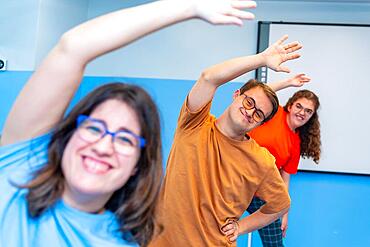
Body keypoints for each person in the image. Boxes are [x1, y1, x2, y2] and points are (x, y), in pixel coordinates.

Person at [0, 1, 259, 246]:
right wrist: (188, 7)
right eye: (94, 128)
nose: (103, 146)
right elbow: (73, 46)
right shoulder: (20, 167)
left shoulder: (119, 241)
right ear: (69, 136)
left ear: (137, 165)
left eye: (125, 139)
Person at [149, 35, 303, 246]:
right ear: (236, 94)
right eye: (249, 102)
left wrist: (241, 227)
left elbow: (281, 204)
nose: (250, 112)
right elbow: (209, 77)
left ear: (261, 123)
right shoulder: (194, 123)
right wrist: (261, 59)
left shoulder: (261, 160)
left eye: (259, 114)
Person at [247, 75, 321, 247]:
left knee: (276, 243)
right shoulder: (275, 112)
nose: (302, 113)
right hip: (234, 182)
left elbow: (284, 179)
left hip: (258, 194)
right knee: (218, 231)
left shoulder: (296, 143)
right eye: (299, 106)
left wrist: (283, 213)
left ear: (312, 116)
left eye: (308, 111)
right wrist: (288, 82)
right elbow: (259, 94)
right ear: (290, 105)